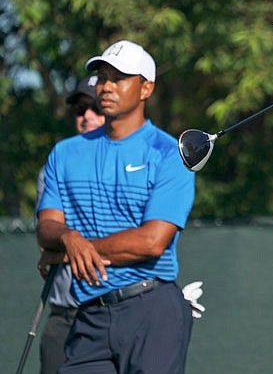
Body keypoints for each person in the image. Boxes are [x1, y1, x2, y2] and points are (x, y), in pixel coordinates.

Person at [36, 40, 196, 374]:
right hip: (89, 313)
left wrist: (70, 251)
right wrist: (67, 238)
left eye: (119, 78)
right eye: (103, 77)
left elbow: (152, 241)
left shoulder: (170, 153)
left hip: (152, 308)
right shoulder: (64, 153)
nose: (106, 86)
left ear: (145, 88)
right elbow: (47, 227)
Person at [35, 77, 104, 374]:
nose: (86, 115)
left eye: (94, 108)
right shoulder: (56, 163)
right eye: (79, 109)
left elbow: (139, 243)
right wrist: (63, 244)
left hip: (113, 316)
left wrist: (61, 250)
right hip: (64, 316)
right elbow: (48, 239)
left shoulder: (136, 162)